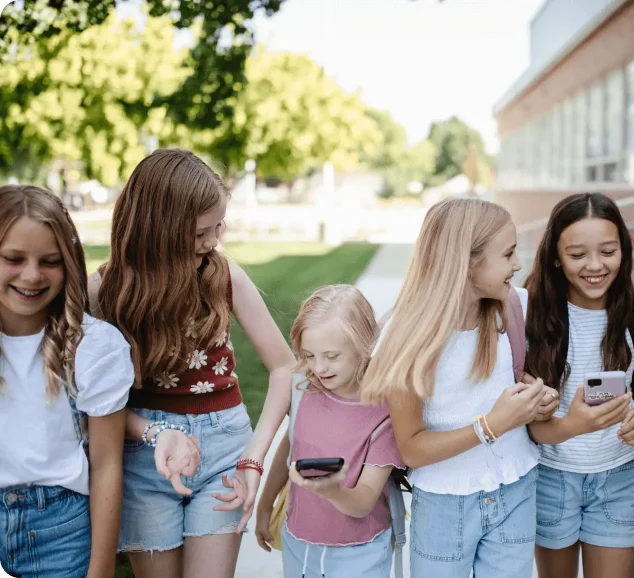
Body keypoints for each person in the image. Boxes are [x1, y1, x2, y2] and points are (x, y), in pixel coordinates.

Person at [89, 148, 297, 578]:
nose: (213, 241)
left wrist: (253, 458)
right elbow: (90, 400)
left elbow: (285, 368)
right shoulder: (103, 292)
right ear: (157, 229)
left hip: (224, 450)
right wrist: (157, 432)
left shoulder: (224, 276)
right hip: (145, 455)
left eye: (218, 226)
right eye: (201, 232)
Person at [362, 197, 558, 578]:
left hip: (516, 488)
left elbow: (512, 380)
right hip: (443, 506)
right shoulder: (406, 337)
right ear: (468, 262)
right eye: (508, 254)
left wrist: (537, 400)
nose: (518, 264)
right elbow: (412, 448)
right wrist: (492, 426)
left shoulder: (512, 306)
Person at [524, 192, 634, 578]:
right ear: (555, 255)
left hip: (618, 479)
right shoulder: (530, 319)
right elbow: (529, 424)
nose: (594, 266)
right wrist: (573, 424)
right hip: (550, 478)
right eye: (577, 255)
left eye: (608, 251)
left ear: (623, 250)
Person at [0, 185, 134, 577]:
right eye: (13, 258)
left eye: (50, 261)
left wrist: (101, 568)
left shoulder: (92, 347)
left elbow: (107, 463)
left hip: (60, 530)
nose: (31, 275)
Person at [256, 285, 406, 577]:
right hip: (298, 542)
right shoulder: (304, 390)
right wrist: (265, 504)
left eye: (332, 356)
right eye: (310, 355)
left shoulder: (384, 411)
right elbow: (290, 450)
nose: (319, 367)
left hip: (359, 552)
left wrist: (331, 490)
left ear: (363, 345)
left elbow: (364, 501)